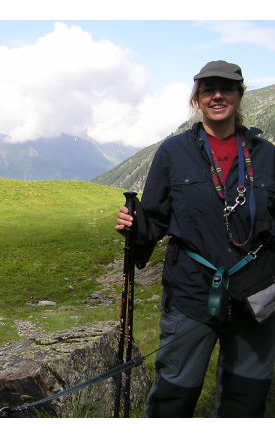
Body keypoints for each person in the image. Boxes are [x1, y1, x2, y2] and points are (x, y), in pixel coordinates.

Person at [115, 60, 275, 417]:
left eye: (227, 89)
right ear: (197, 98)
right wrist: (135, 224)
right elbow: (155, 220)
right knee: (174, 395)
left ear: (239, 95)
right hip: (191, 292)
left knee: (246, 400)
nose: (218, 95)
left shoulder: (267, 157)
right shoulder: (174, 153)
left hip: (257, 296)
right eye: (208, 89)